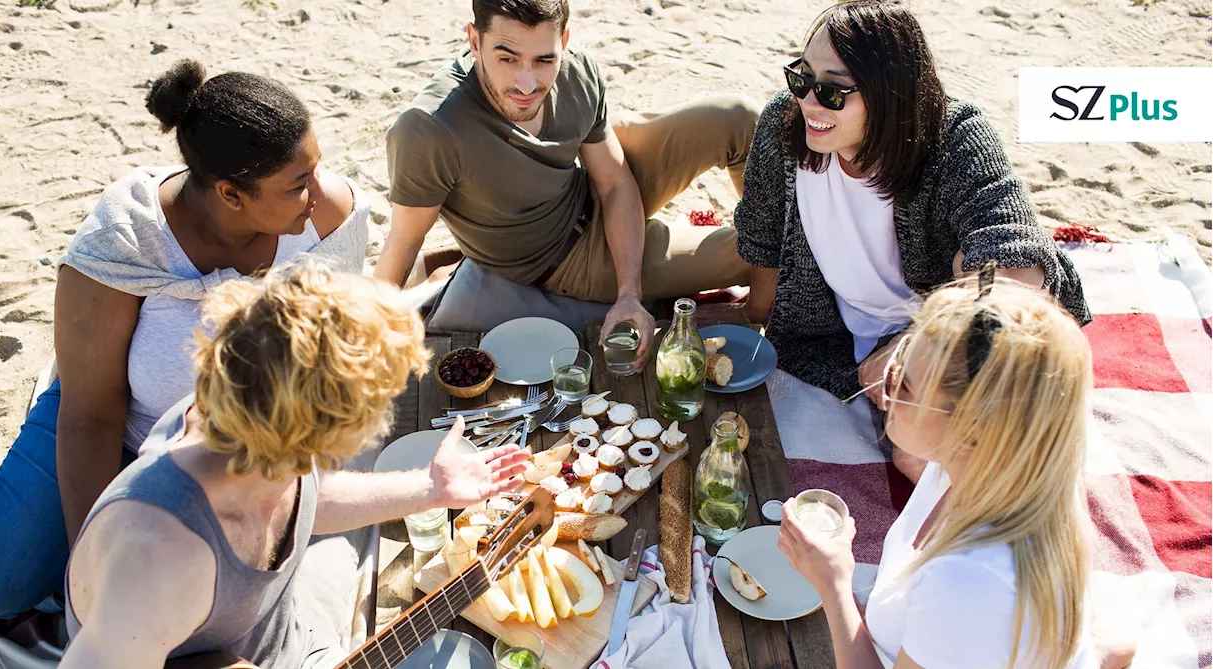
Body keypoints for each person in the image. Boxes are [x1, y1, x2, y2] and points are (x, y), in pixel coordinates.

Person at [0, 59, 368, 618]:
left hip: (240, 444)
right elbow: (90, 416)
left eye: (315, 169)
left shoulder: (327, 217)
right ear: (232, 195)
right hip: (115, 426)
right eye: (297, 184)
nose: (317, 191)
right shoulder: (127, 236)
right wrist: (98, 563)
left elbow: (330, 357)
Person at [60, 259, 528, 669]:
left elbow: (305, 497)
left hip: (295, 638)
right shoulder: (153, 560)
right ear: (323, 433)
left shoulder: (255, 425)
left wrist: (429, 488)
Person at [732, 1, 1089, 478]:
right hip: (830, 337)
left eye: (834, 91)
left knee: (918, 457)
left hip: (942, 345)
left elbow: (1015, 262)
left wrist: (909, 348)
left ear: (890, 94)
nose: (809, 102)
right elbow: (762, 235)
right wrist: (756, 318)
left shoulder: (957, 139)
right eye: (802, 77)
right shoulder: (786, 124)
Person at [377, 0, 761, 359]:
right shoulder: (430, 128)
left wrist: (629, 293)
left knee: (738, 117)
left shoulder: (576, 69)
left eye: (544, 59)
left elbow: (614, 182)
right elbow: (405, 238)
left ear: (564, 41)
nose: (527, 84)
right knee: (753, 251)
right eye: (507, 58)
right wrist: (365, 327)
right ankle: (773, 291)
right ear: (474, 41)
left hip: (589, 184)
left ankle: (773, 264)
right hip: (567, 260)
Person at [777, 272, 1097, 668]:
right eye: (899, 356)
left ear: (971, 433)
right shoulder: (1008, 464)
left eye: (904, 385)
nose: (883, 378)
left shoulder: (969, 581)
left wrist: (834, 582)